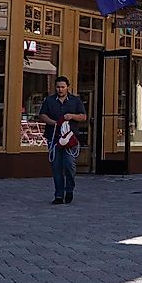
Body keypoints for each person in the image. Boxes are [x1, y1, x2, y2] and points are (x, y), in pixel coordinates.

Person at [37, 75, 87, 205]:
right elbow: (42, 115)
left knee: (70, 165)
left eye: (62, 87)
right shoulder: (49, 100)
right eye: (58, 87)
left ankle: (69, 190)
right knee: (56, 167)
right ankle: (59, 195)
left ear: (67, 87)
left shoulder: (75, 100)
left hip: (71, 138)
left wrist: (72, 116)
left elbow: (83, 116)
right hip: (54, 138)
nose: (60, 89)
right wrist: (53, 123)